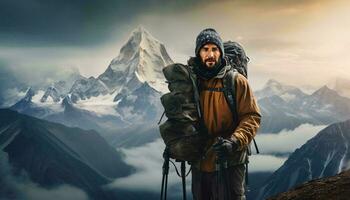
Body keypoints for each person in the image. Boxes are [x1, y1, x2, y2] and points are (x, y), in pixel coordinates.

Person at [188, 28, 261, 200]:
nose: (210, 54)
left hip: (231, 160)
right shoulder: (192, 82)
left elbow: (252, 117)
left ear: (220, 52)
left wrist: (234, 142)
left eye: (214, 49)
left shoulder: (236, 81)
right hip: (200, 160)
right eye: (205, 49)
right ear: (198, 53)